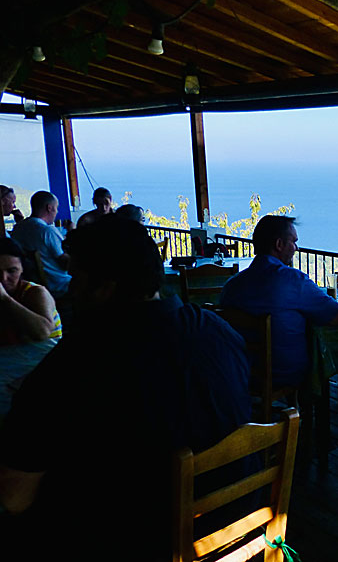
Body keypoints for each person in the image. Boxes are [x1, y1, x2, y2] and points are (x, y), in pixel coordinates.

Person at [0, 218, 253, 561]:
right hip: (231, 525)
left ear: (106, 286)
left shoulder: (72, 365)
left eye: (76, 277)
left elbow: (14, 497)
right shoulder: (219, 331)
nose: (71, 290)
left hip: (135, 541)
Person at [220, 215, 338, 387]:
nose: (296, 248)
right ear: (279, 245)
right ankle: (309, 411)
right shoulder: (293, 280)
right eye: (293, 242)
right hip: (285, 373)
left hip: (239, 370)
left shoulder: (231, 286)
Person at [0, 237, 61, 346]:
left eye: (11, 271)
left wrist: (5, 298)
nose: (4, 278)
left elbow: (43, 333)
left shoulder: (36, 292)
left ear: (22, 268)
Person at [10, 191, 71, 297]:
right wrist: (72, 234)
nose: (56, 212)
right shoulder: (47, 231)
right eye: (56, 208)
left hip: (35, 285)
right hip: (59, 285)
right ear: (49, 208)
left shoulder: (18, 228)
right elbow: (66, 264)